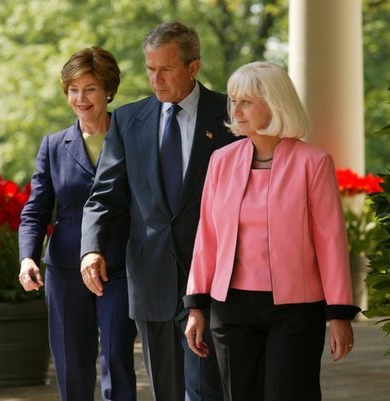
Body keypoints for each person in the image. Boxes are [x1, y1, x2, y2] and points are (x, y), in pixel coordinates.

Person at [183, 61, 361, 401]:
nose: (235, 109)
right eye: (233, 100)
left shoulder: (314, 162)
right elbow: (207, 237)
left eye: (246, 101)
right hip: (229, 307)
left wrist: (339, 313)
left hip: (295, 311)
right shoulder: (221, 160)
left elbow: (331, 241)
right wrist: (195, 307)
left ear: (275, 102)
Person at [80, 22, 237, 401]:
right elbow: (104, 196)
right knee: (166, 391)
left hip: (210, 282)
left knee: (205, 391)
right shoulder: (129, 121)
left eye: (165, 69)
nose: (155, 79)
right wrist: (91, 248)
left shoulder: (230, 116)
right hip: (150, 281)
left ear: (193, 67)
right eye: (150, 68)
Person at [18, 46, 137, 401]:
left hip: (119, 267)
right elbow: (36, 209)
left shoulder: (132, 138)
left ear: (108, 90)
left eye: (90, 89)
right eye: (73, 89)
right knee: (72, 366)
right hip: (66, 271)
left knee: (116, 357)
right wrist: (27, 257)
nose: (80, 98)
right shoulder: (54, 146)